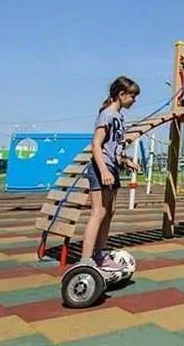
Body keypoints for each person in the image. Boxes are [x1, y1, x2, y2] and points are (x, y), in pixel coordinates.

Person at [79, 76, 141, 270]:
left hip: (111, 167)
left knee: (110, 211)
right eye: (132, 96)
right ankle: (86, 259)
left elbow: (113, 148)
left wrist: (126, 161)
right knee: (99, 212)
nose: (134, 101)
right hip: (101, 168)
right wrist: (104, 170)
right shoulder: (107, 115)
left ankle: (99, 254)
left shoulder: (119, 117)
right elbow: (96, 145)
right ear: (121, 94)